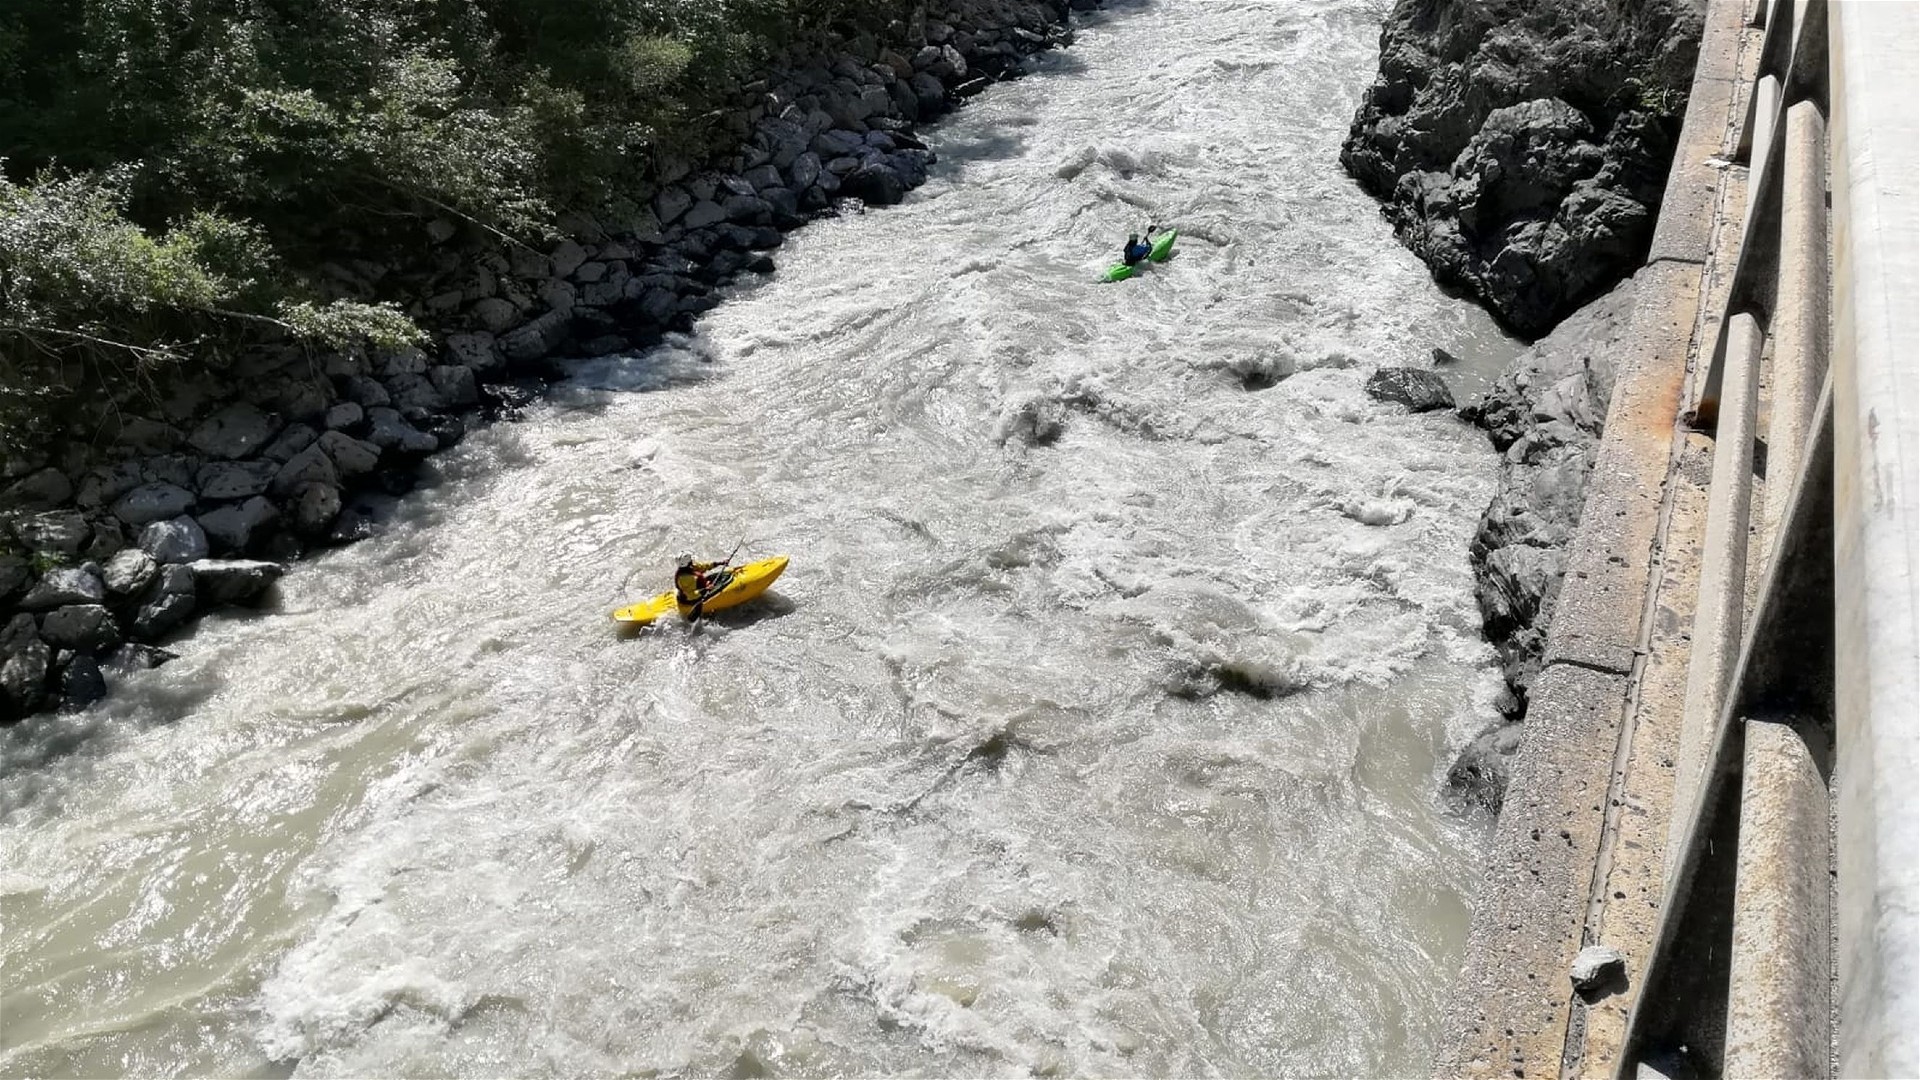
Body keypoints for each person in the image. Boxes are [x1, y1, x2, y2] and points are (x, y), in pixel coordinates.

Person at [674, 552, 732, 619]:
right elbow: (691, 595)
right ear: (688, 562)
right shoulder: (688, 578)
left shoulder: (688, 568)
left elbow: (703, 566)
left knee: (702, 578)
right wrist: (706, 589)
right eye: (690, 561)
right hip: (690, 599)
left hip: (692, 592)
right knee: (701, 579)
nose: (692, 561)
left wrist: (720, 563)